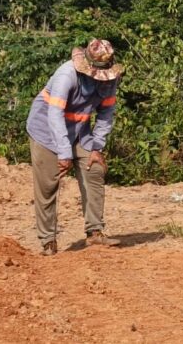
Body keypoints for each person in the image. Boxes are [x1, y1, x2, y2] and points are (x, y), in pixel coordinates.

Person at [26, 38, 123, 256]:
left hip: (80, 130)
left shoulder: (110, 79)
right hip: (47, 130)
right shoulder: (66, 75)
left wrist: (97, 146)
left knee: (95, 169)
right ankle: (48, 241)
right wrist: (63, 152)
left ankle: (95, 232)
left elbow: (106, 115)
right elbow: (54, 115)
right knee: (48, 184)